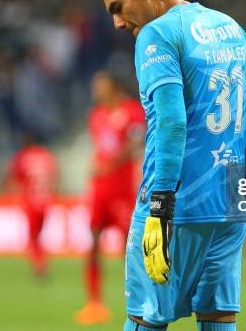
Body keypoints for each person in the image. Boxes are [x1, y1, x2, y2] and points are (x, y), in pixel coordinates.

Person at [94, 0, 246, 331]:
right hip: (227, 208)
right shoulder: (229, 26)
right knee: (218, 316)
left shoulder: (158, 34)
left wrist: (160, 204)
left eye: (118, 6)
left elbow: (172, 123)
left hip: (175, 207)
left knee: (146, 319)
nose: (117, 23)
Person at [75, 70, 145, 325]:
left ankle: (140, 301)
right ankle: (94, 303)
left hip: (122, 191)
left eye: (100, 84)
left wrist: (112, 164)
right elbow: (100, 149)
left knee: (131, 250)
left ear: (113, 86)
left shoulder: (132, 111)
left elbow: (137, 144)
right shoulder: (96, 115)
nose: (96, 89)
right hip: (99, 191)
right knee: (92, 245)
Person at [1, 131, 59, 278]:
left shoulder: (23, 156)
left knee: (33, 236)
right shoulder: (46, 156)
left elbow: (12, 175)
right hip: (46, 201)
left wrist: (4, 189)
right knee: (39, 235)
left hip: (31, 201)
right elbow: (55, 175)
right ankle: (42, 262)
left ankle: (39, 265)